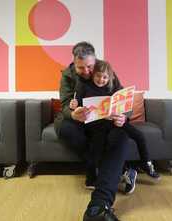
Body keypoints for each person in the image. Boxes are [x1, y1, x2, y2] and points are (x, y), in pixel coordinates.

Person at [54, 42, 136, 221]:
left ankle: (99, 205)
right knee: (66, 129)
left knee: (120, 135)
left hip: (104, 122)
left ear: (95, 61)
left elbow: (124, 100)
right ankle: (119, 170)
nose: (86, 71)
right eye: (80, 67)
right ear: (74, 63)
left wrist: (123, 115)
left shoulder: (106, 69)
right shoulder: (67, 75)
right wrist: (74, 114)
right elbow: (65, 103)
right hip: (78, 121)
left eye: (90, 67)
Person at [70, 60, 161, 187]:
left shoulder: (113, 86)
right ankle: (93, 177)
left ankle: (146, 163)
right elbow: (77, 106)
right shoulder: (84, 86)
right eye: (98, 76)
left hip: (115, 121)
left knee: (139, 135)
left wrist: (123, 116)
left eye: (105, 77)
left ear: (110, 77)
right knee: (97, 144)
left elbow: (126, 108)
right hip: (95, 124)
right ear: (93, 74)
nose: (101, 79)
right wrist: (73, 105)